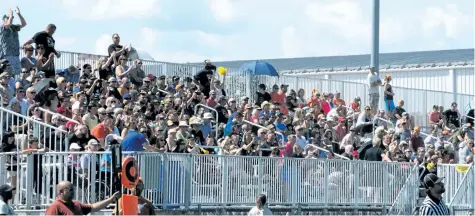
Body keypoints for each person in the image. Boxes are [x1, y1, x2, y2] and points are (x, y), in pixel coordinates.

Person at [45, 181, 121, 215]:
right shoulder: (54, 207)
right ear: (61, 192)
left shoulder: (76, 204)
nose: (73, 192)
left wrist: (110, 200)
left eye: (73, 189)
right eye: (70, 190)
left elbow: (93, 207)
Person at [0, 7, 27, 75]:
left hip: (15, 55)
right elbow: (8, 24)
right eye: (8, 18)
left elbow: (24, 24)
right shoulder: (2, 27)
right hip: (6, 55)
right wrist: (11, 15)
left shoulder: (14, 27)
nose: (11, 19)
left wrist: (19, 14)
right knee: (8, 74)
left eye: (11, 18)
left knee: (17, 74)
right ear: (3, 20)